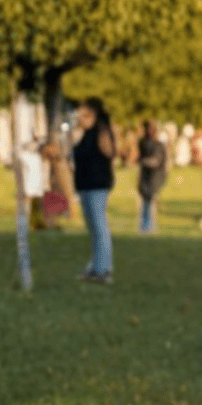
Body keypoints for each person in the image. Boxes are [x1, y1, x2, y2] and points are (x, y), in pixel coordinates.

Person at [71, 97, 117, 284]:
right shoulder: (84, 133)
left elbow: (109, 152)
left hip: (97, 184)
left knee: (99, 226)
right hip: (84, 184)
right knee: (93, 228)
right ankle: (96, 265)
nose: (80, 118)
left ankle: (104, 268)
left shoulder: (101, 131)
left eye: (85, 115)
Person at [135, 121, 167, 234]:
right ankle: (145, 227)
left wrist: (142, 161)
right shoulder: (143, 143)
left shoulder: (158, 145)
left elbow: (155, 162)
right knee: (145, 202)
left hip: (155, 177)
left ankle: (148, 227)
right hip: (146, 177)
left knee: (150, 202)